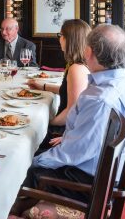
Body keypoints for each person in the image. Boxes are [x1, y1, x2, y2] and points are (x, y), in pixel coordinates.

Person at [20, 24, 125, 205]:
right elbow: (89, 139)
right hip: (104, 166)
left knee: (13, 171)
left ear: (88, 52)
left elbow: (73, 154)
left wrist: (29, 161)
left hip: (87, 181)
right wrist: (73, 137)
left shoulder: (101, 99)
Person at [27, 19, 91, 151]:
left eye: (60, 35)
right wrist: (43, 86)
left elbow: (71, 112)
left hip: (65, 132)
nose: (59, 39)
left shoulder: (76, 69)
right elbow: (69, 91)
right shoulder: (78, 65)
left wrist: (45, 123)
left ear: (70, 40)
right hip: (69, 127)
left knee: (25, 136)